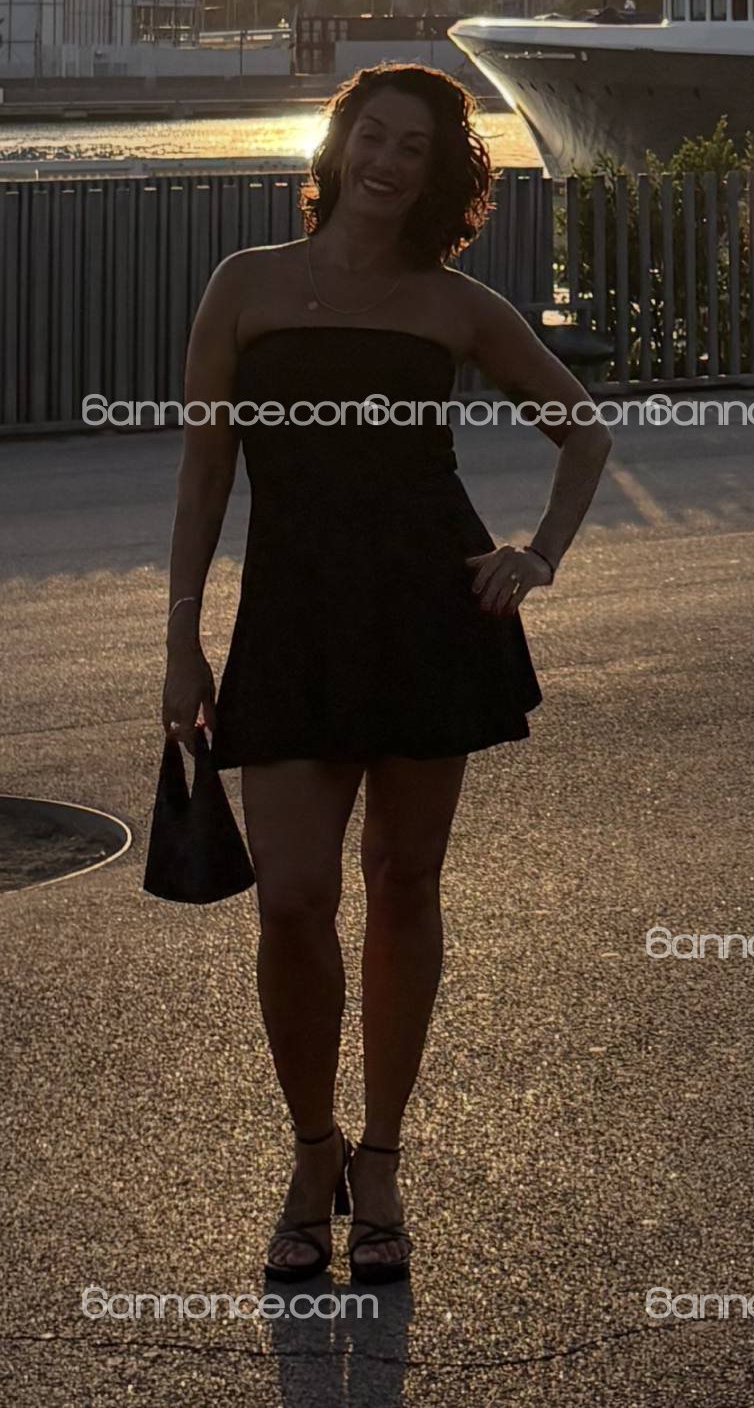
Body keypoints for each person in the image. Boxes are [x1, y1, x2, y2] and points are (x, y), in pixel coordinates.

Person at [161, 63, 611, 1284]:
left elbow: (583, 428)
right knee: (292, 897)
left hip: (427, 618)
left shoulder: (455, 305)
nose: (388, 161)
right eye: (373, 136)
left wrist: (537, 554)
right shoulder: (245, 284)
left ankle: (384, 1160)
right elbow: (205, 473)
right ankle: (313, 1151)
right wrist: (181, 638)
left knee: (403, 884)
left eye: (415, 148)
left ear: (440, 174)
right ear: (337, 144)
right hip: (291, 622)